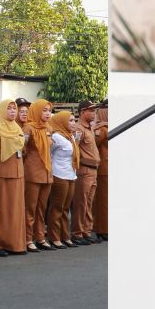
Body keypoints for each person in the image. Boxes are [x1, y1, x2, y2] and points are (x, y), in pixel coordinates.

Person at [0, 99, 27, 256]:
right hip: (0, 174)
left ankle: (15, 244)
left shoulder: (17, 128)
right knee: (0, 210)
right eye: (8, 108)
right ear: (2, 110)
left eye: (14, 108)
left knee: (15, 211)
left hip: (17, 174)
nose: (13, 111)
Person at [22, 99, 55, 251]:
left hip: (47, 172)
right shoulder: (28, 128)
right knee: (30, 208)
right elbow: (22, 149)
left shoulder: (48, 128)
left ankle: (40, 237)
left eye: (49, 111)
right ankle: (27, 239)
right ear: (36, 111)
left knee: (42, 208)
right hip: (33, 173)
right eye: (44, 110)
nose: (48, 113)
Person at [46, 111, 79, 249]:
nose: (73, 123)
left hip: (71, 174)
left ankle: (65, 236)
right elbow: (49, 153)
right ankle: (54, 237)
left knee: (66, 208)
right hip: (59, 175)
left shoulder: (70, 136)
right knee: (57, 207)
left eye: (74, 120)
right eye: (70, 120)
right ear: (62, 122)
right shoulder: (56, 136)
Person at [70, 101, 100, 245]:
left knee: (88, 202)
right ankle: (77, 233)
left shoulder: (89, 128)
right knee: (81, 202)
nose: (94, 113)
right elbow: (74, 149)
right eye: (91, 110)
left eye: (94, 110)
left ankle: (86, 231)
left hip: (93, 170)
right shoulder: (78, 129)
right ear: (82, 112)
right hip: (84, 169)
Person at [91, 101, 108, 242]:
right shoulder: (103, 129)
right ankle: (103, 228)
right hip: (104, 169)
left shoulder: (102, 129)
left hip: (105, 168)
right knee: (103, 201)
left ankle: (103, 228)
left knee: (104, 201)